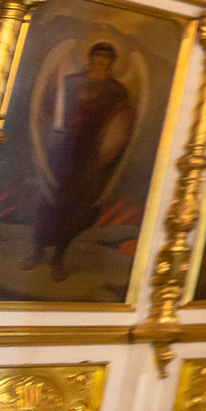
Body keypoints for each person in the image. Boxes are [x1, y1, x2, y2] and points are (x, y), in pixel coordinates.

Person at [29, 41, 136, 279]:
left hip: (94, 154)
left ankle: (59, 257)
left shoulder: (117, 90)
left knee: (78, 205)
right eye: (99, 56)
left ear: (113, 62)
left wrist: (111, 148)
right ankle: (37, 251)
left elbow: (123, 122)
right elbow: (51, 107)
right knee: (50, 199)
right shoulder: (71, 82)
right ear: (90, 58)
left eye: (108, 58)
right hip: (64, 148)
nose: (103, 61)